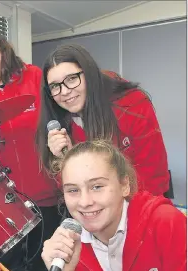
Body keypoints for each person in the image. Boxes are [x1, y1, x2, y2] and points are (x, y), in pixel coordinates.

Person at [38, 140, 186, 271]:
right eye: (73, 190)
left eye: (97, 186)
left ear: (124, 185)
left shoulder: (166, 224)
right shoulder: (73, 242)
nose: (85, 202)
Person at [0, 28, 60, 271]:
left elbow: (57, 117)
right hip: (6, 200)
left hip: (44, 189)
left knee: (46, 264)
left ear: (4, 52)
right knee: (12, 267)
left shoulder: (34, 76)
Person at [36, 43, 170, 196]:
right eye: (54, 86)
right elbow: (74, 189)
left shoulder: (131, 104)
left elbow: (153, 175)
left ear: (89, 74)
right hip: (98, 209)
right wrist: (65, 158)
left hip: (142, 202)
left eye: (72, 79)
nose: (64, 91)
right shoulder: (61, 123)